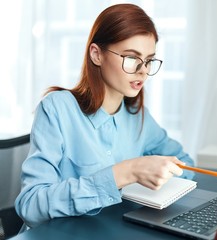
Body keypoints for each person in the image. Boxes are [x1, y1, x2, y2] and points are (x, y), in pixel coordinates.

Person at [15, 3, 194, 228]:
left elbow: (185, 163)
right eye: (131, 57)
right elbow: (31, 206)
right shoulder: (56, 108)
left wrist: (154, 180)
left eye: (149, 60)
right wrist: (125, 173)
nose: (143, 70)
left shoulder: (138, 116)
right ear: (97, 54)